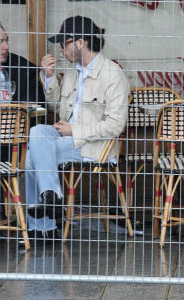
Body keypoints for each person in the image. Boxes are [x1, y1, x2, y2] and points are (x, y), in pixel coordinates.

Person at [25, 16, 129, 241]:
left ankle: (43, 228)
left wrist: (75, 130)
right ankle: (52, 198)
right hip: (66, 137)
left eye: (64, 43)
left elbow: (115, 125)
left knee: (30, 157)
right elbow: (55, 107)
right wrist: (50, 79)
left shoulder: (113, 74)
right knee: (36, 133)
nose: (60, 50)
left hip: (95, 145)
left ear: (80, 42)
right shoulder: (73, 72)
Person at [0, 20, 45, 105]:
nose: (6, 47)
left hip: (16, 117)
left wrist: (14, 103)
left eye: (6, 40)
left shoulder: (24, 67)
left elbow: (38, 104)